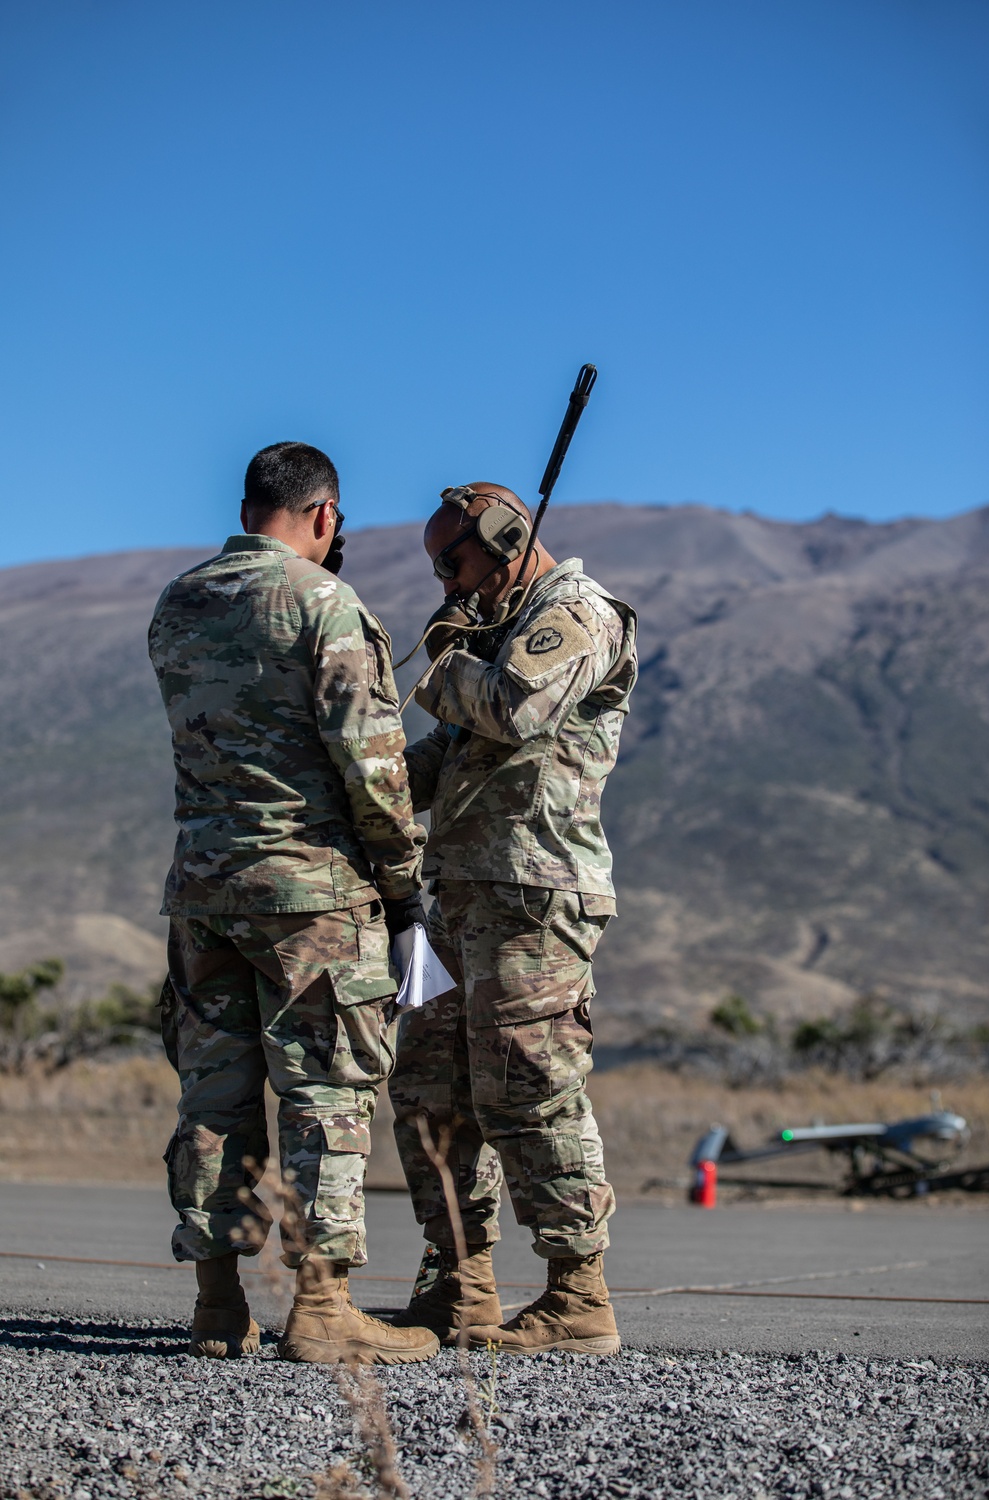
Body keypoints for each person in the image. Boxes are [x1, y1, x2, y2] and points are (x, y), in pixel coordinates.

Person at [149, 441, 437, 1365]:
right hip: (312, 894)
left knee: (214, 1095)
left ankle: (216, 1303)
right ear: (325, 515)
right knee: (326, 1094)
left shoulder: (179, 601)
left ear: (246, 509)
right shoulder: (327, 604)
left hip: (204, 889)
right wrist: (402, 893)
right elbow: (374, 770)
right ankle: (321, 1309)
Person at [389, 482, 638, 1354]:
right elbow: (447, 755)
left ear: (501, 537)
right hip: (454, 897)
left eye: (452, 562)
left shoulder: (575, 613)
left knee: (529, 1087)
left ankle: (578, 1293)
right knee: (428, 1086)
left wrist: (448, 664)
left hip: (531, 898)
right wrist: (361, 780)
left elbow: (512, 707)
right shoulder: (491, 638)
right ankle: (460, 1279)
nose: (446, 585)